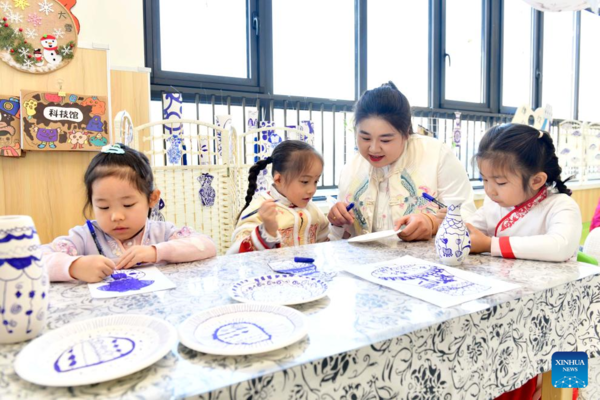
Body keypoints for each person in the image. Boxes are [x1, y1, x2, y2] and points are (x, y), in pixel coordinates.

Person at [42, 143, 217, 283]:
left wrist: (156, 252)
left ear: (152, 198)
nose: (116, 216)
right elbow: (33, 260)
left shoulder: (162, 232)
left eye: (128, 204)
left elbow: (206, 245)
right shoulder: (83, 237)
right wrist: (74, 266)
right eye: (103, 207)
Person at [328, 81, 476, 241]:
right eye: (365, 137)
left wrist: (433, 223)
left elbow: (468, 215)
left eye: (385, 140)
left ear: (406, 134)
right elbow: (340, 240)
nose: (374, 148)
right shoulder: (351, 168)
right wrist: (337, 221)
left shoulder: (436, 154)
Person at [466, 123, 581, 262]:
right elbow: (471, 231)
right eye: (484, 179)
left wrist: (490, 245)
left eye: (500, 182)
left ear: (536, 180)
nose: (489, 190)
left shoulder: (561, 206)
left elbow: (560, 247)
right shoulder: (494, 203)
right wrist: (451, 223)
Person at [227, 140, 329, 254]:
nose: (312, 190)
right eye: (305, 181)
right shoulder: (260, 210)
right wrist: (267, 231)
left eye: (315, 181)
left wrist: (338, 226)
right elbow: (235, 256)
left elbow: (327, 245)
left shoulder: (314, 211)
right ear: (279, 179)